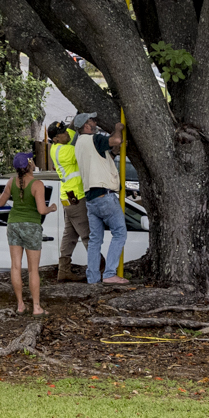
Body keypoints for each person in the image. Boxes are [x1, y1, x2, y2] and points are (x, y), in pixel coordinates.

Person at [74, 113, 128, 288]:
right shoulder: (94, 139)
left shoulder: (79, 144)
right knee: (120, 233)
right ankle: (110, 273)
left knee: (95, 240)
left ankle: (93, 277)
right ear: (86, 125)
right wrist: (118, 129)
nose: (95, 122)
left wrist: (115, 150)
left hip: (91, 198)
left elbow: (104, 159)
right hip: (104, 194)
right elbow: (115, 140)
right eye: (92, 121)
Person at [2, 150, 52, 315]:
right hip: (31, 226)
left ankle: (20, 305)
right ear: (29, 164)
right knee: (33, 270)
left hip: (13, 225)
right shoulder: (37, 184)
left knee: (16, 266)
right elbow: (41, 210)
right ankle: (36, 307)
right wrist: (51, 208)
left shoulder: (11, 182)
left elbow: (0, 202)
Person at [45, 121, 87, 284]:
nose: (67, 133)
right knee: (87, 235)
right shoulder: (63, 151)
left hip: (68, 198)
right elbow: (83, 149)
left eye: (65, 130)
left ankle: (64, 271)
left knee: (69, 236)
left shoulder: (62, 142)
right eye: (62, 133)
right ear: (55, 139)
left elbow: (72, 127)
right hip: (75, 197)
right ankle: (100, 268)